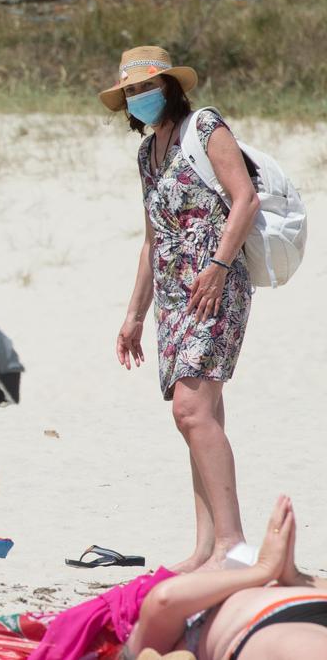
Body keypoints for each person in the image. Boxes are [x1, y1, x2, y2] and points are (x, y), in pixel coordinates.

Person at [104, 46, 259, 572]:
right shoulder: (147, 154)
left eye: (146, 87)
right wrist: (133, 315)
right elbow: (153, 240)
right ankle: (207, 544)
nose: (138, 97)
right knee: (202, 415)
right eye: (130, 91)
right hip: (173, 297)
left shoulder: (205, 126)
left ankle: (233, 544)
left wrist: (217, 264)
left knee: (190, 411)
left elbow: (244, 198)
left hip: (216, 282)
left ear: (170, 85)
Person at [124, 495, 327, 659]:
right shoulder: (153, 642)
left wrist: (275, 572)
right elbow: (164, 599)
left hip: (270, 625)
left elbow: (164, 600)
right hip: (272, 623)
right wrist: (270, 572)